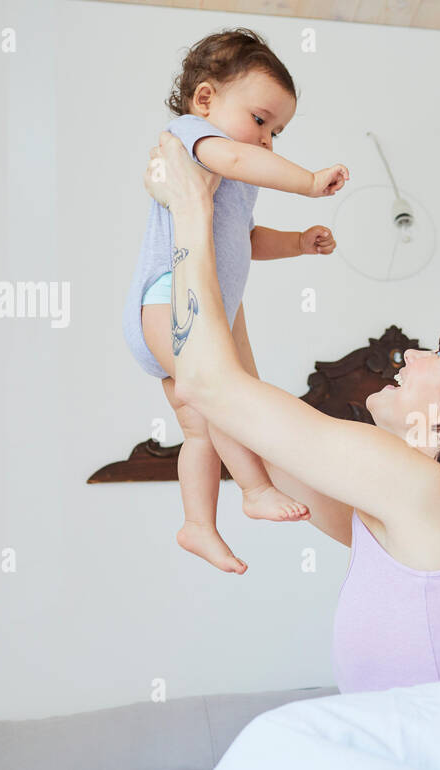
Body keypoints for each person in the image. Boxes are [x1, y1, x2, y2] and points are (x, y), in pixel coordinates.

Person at [143, 130, 440, 694]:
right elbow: (242, 413)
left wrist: (190, 212)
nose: (413, 354)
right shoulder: (405, 504)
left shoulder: (418, 487)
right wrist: (227, 267)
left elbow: (209, 384)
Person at [122, 27, 349, 574]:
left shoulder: (233, 171)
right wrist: (307, 182)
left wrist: (295, 243)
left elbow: (244, 240)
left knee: (201, 426)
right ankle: (253, 488)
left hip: (197, 312)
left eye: (278, 131)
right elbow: (248, 163)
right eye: (261, 120)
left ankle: (197, 525)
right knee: (227, 399)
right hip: (168, 301)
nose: (267, 140)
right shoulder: (193, 139)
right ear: (206, 99)